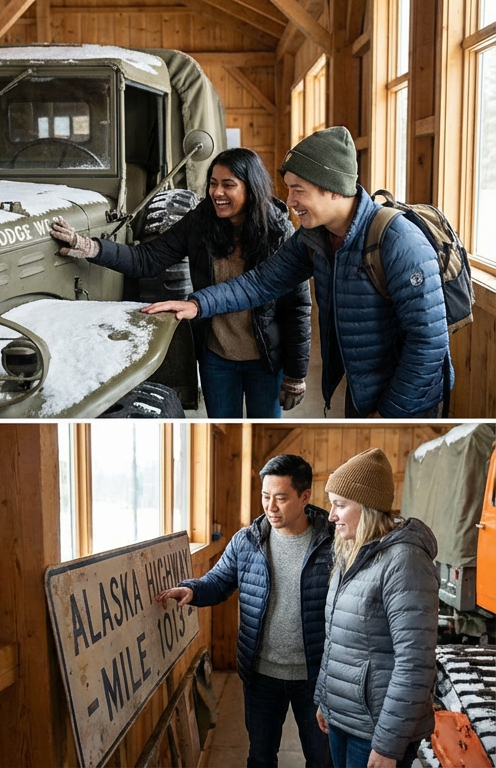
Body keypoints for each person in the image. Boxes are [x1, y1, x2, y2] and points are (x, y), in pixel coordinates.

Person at [141, 126, 451, 418]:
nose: (289, 202)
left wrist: (389, 413)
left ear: (332, 189)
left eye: (298, 190)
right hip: (365, 391)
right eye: (289, 190)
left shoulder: (399, 240)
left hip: (410, 400)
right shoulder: (315, 237)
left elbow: (428, 343)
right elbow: (261, 282)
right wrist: (198, 304)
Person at [52, 147, 311, 418]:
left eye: (228, 185)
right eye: (213, 183)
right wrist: (91, 247)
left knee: (264, 427)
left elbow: (297, 306)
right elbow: (147, 259)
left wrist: (296, 374)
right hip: (217, 357)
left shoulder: (279, 232)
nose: (217, 192)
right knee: (221, 426)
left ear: (251, 188)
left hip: (266, 360)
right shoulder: (201, 221)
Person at [155, 454, 333, 768]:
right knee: (260, 758)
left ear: (305, 496)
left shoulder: (333, 543)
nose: (270, 507)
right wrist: (193, 590)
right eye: (265, 496)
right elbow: (219, 581)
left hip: (316, 677)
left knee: (322, 760)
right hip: (261, 674)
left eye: (281, 498)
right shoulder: (247, 541)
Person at [314, 448, 438, 767]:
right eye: (331, 504)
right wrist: (326, 700)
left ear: (368, 507)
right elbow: (337, 640)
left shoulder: (404, 561)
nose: (331, 516)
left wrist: (388, 744)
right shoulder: (351, 553)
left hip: (376, 729)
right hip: (344, 717)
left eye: (341, 505)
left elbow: (414, 662)